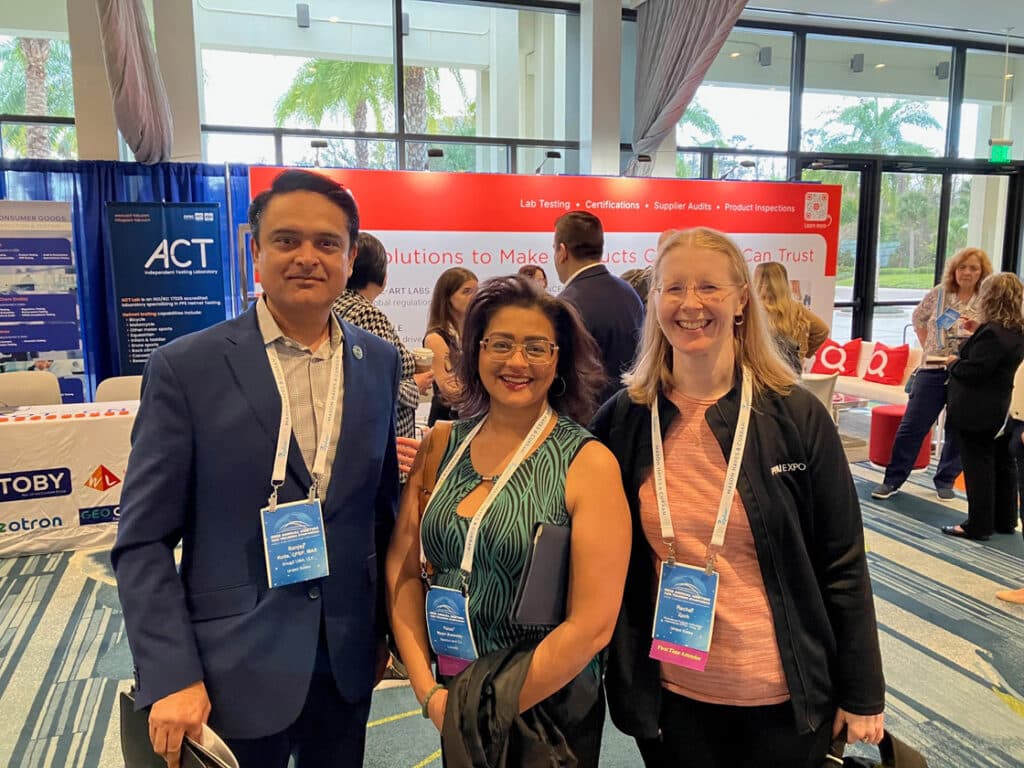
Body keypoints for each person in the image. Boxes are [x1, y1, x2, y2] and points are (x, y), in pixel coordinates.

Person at [112, 169, 401, 768]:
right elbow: (142, 541)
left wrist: (383, 635)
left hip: (345, 656)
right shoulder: (186, 369)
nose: (306, 258)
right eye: (286, 240)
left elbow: (379, 513)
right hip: (228, 664)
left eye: (327, 244)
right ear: (255, 251)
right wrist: (169, 672)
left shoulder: (375, 361)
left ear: (351, 257)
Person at [590, 228, 885, 767]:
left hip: (785, 698)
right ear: (654, 301)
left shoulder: (795, 416)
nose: (691, 304)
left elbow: (842, 560)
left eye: (709, 287)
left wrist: (863, 691)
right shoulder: (626, 419)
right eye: (673, 288)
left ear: (742, 299)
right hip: (671, 697)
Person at [386, 275, 630, 764]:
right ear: (475, 351)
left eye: (536, 347)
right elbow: (404, 573)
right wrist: (429, 693)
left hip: (549, 706)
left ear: (558, 359)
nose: (517, 362)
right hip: (457, 693)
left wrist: (488, 709)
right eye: (501, 344)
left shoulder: (587, 462)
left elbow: (593, 625)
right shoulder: (440, 447)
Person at [872, 246, 992, 502]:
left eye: (973, 268)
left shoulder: (986, 299)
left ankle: (945, 479)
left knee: (958, 428)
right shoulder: (940, 294)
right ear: (954, 270)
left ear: (982, 272)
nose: (967, 273)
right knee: (912, 425)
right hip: (933, 369)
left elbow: (994, 332)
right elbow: (918, 317)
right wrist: (928, 343)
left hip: (966, 371)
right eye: (962, 267)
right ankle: (893, 479)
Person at [334, 232, 434, 476]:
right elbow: (372, 386)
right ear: (379, 272)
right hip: (383, 446)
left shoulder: (337, 306)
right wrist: (415, 386)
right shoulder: (366, 314)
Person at [941, 273, 1024, 542]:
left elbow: (976, 371)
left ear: (990, 297)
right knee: (1002, 463)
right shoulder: (1016, 330)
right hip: (1003, 408)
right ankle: (1005, 519)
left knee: (978, 467)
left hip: (977, 409)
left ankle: (978, 525)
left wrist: (953, 362)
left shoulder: (992, 334)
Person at [554, 210, 644, 409]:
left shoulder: (566, 305)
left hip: (586, 423)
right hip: (632, 413)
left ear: (562, 252)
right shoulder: (629, 292)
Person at [424, 267, 478, 426]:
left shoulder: (474, 334)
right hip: (447, 420)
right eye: (467, 291)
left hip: (472, 417)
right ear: (448, 297)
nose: (474, 297)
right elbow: (450, 390)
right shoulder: (436, 338)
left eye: (476, 291)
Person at [754, 261, 829, 373]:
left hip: (761, 368)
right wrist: (803, 354)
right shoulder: (796, 308)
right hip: (791, 369)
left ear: (757, 280)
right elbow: (822, 330)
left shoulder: (752, 309)